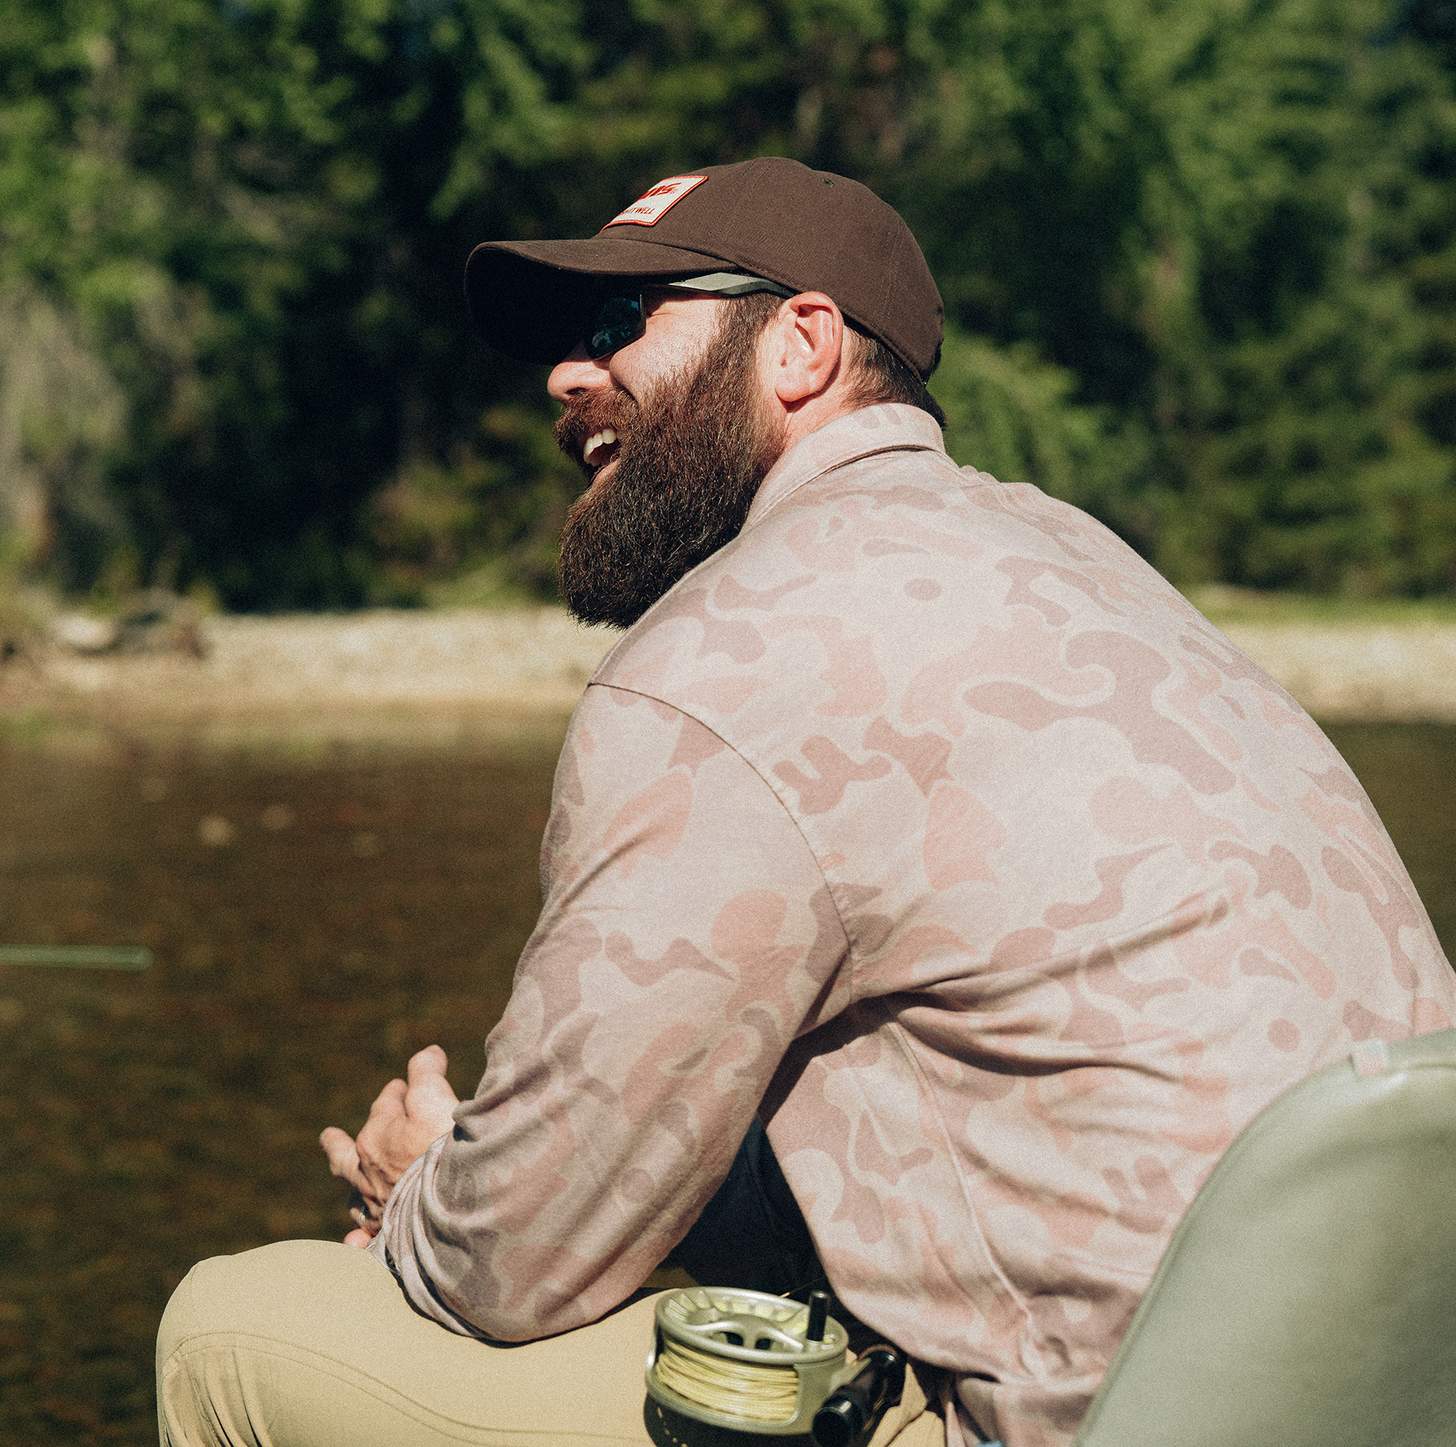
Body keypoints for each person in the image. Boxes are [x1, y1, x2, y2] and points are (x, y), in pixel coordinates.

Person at [156, 157, 1456, 1447]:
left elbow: (508, 1268)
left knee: (235, 1330)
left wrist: (423, 1185)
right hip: (1381, 1398)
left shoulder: (724, 661)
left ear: (803, 345)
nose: (564, 375)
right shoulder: (1088, 564)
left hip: (1101, 1423)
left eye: (622, 324)